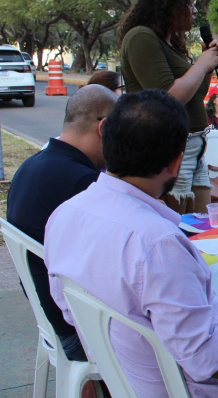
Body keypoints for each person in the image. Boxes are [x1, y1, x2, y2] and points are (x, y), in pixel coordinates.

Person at [44, 90, 218, 397]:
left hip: (127, 378)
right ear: (177, 162)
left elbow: (67, 307)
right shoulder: (158, 244)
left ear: (107, 141)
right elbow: (210, 361)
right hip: (202, 387)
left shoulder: (64, 215)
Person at [7, 85, 117, 364]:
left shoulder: (32, 165)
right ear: (104, 128)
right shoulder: (82, 182)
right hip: (78, 331)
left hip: (49, 317)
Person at [118, 0, 218, 214]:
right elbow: (168, 99)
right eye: (189, 4)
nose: (195, 11)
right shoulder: (140, 37)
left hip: (194, 144)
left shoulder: (170, 44)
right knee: (179, 220)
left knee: (202, 222)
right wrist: (200, 64)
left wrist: (207, 64)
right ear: (169, 6)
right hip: (171, 145)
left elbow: (194, 95)